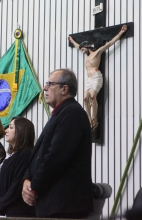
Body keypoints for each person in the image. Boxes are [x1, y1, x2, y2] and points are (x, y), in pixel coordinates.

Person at [22, 69, 93, 218]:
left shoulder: (72, 113)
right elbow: (38, 154)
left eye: (49, 84)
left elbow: (56, 157)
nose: (45, 88)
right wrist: (27, 179)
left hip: (65, 206)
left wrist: (33, 187)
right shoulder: (59, 113)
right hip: (53, 204)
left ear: (64, 89)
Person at [68, 25, 127, 130]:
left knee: (92, 97)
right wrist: (72, 40)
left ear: (88, 46)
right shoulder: (86, 56)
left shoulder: (97, 53)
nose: (82, 50)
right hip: (89, 79)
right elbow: (78, 46)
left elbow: (110, 43)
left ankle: (94, 119)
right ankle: (89, 118)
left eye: (83, 48)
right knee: (85, 99)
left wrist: (121, 32)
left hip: (96, 77)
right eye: (81, 49)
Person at [0, 117, 36, 217]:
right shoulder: (13, 154)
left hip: (18, 212)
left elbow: (17, 184)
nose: (6, 130)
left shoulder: (25, 153)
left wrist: (0, 204)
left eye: (11, 128)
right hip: (8, 210)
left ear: (21, 131)